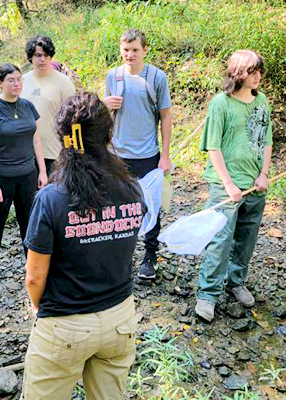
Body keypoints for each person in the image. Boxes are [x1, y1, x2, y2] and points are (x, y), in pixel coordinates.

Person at [22, 92, 144, 400]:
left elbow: (35, 278)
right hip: (120, 319)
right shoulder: (132, 188)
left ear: (63, 138)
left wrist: (39, 307)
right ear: (108, 134)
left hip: (64, 325)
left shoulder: (51, 198)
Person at [194, 50, 273, 322]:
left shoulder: (261, 102)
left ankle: (235, 281)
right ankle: (208, 294)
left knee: (246, 238)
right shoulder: (221, 104)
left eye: (259, 71)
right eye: (254, 72)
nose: (258, 77)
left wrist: (263, 174)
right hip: (224, 185)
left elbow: (266, 141)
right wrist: (228, 184)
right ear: (239, 73)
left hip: (255, 185)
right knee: (220, 239)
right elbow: (213, 147)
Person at [102, 28, 173, 281]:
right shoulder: (114, 76)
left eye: (135, 50)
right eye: (125, 50)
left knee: (149, 205)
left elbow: (165, 117)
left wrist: (165, 155)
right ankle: (120, 255)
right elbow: (107, 119)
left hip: (148, 154)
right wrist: (105, 106)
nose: (130, 55)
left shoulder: (156, 78)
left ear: (145, 50)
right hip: (118, 154)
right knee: (117, 206)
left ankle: (150, 256)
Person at [0, 63, 47, 280]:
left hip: (27, 173)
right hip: (1, 176)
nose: (16, 84)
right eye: (10, 80)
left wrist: (42, 171)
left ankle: (31, 260)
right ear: (0, 83)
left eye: (19, 79)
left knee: (27, 218)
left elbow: (36, 141)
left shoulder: (27, 106)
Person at [21, 36, 76, 175]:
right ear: (30, 57)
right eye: (38, 55)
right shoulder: (21, 81)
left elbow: (73, 119)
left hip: (54, 153)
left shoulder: (64, 82)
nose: (42, 59)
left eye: (46, 55)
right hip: (26, 153)